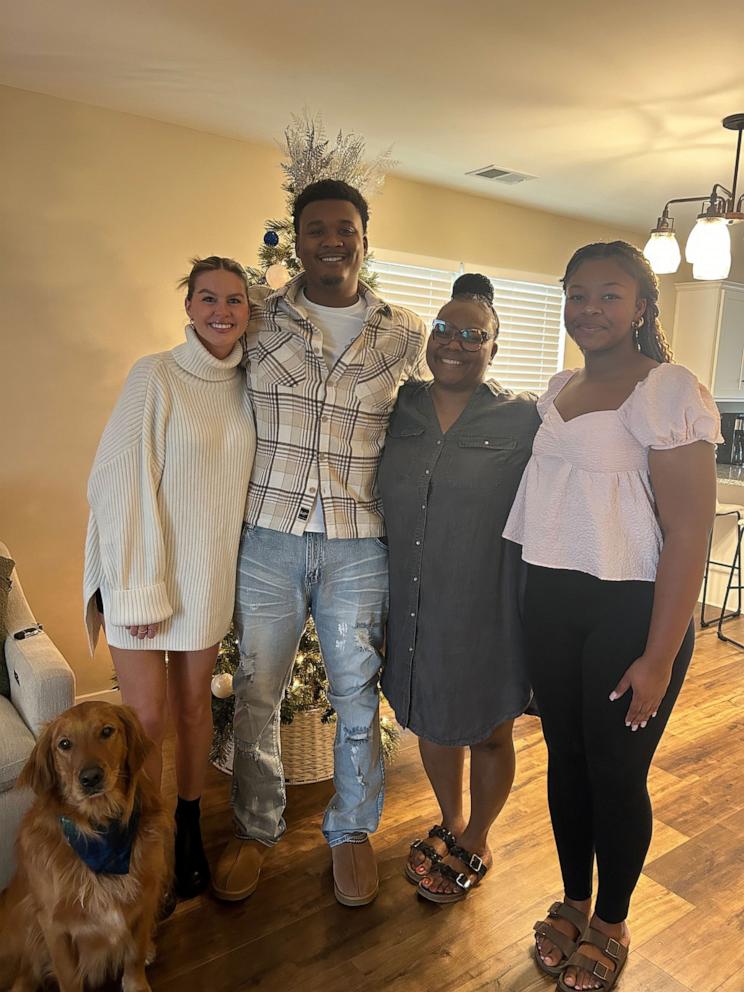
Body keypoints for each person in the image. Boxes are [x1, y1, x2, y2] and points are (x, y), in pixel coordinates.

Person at [503, 241, 719, 991]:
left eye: (608, 295)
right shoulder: (560, 386)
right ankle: (572, 898)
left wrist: (659, 656)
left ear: (640, 308)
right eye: (576, 294)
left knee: (617, 773)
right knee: (567, 762)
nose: (589, 310)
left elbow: (690, 529)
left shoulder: (667, 390)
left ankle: (613, 921)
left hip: (630, 609)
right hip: (553, 603)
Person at [212, 179, 428, 908]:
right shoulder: (259, 319)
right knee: (256, 693)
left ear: (365, 238)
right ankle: (255, 828)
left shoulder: (405, 333)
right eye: (315, 230)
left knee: (358, 699)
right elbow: (207, 386)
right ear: (296, 239)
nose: (331, 241)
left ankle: (352, 831)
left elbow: (427, 420)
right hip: (267, 537)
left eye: (345, 228)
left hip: (358, 544)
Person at [83, 256, 255, 899]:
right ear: (188, 306)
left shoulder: (249, 385)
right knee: (146, 718)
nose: (221, 311)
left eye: (234, 300)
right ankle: (140, 837)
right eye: (208, 298)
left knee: (193, 707)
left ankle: (185, 824)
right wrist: (138, 585)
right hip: (141, 571)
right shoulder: (154, 376)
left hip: (205, 571)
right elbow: (116, 481)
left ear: (248, 311)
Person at [378, 273, 539, 904]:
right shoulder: (400, 406)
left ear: (494, 348)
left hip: (487, 606)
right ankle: (448, 819)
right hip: (412, 605)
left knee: (489, 729)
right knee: (432, 725)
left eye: (475, 334)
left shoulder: (524, 418)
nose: (455, 342)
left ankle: (478, 834)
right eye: (444, 329)